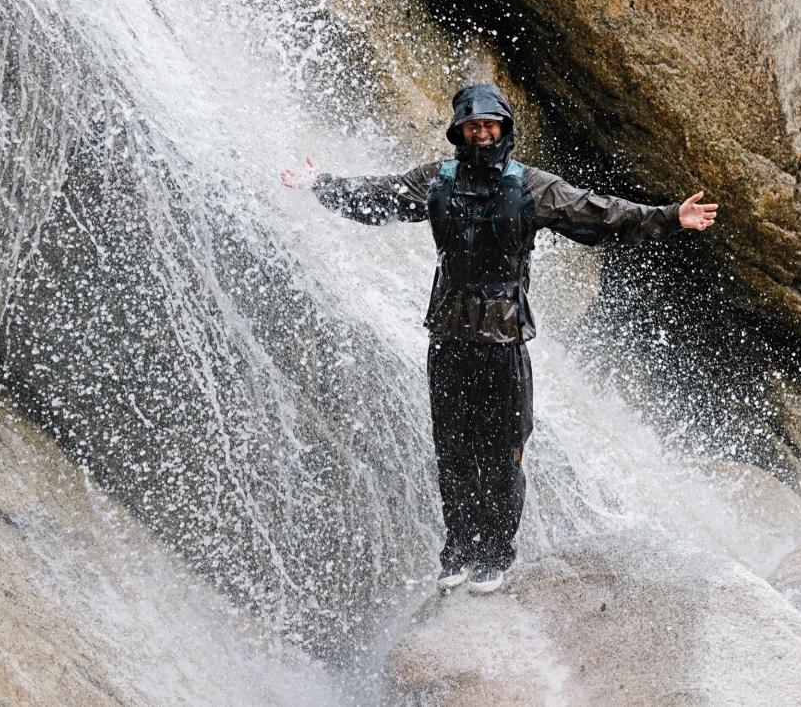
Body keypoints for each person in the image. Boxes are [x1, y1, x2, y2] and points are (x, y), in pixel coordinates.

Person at [280, 84, 716, 593]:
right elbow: (381, 197)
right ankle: (458, 553)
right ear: (459, 132)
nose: (482, 133)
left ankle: (495, 555)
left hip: (504, 345)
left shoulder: (530, 185)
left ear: (504, 129)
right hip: (447, 339)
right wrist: (321, 183)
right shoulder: (436, 180)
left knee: (503, 449)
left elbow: (595, 212)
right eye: (473, 126)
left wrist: (667, 216)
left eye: (490, 125)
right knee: (454, 450)